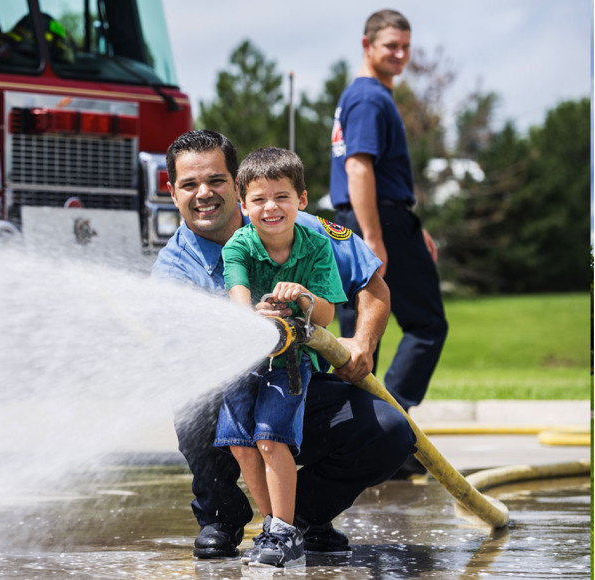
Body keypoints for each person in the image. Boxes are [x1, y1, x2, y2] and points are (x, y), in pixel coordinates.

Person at [152, 129, 415, 561]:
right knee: (191, 401)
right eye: (189, 184)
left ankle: (300, 519)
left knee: (390, 432)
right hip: (226, 395)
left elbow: (372, 286)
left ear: (236, 183)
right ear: (172, 190)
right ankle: (221, 515)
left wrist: (364, 343)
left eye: (216, 181)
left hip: (297, 383)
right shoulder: (173, 269)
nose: (204, 194)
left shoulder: (300, 228)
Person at [216, 147, 347, 568]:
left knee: (271, 439)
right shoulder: (238, 245)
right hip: (241, 360)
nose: (270, 207)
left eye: (281, 196)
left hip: (290, 360)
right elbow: (237, 297)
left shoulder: (316, 246)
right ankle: (272, 526)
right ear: (243, 205)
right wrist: (251, 314)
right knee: (242, 446)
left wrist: (304, 296)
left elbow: (327, 314)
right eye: (258, 199)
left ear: (302, 200)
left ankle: (285, 533)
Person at [329, 10, 448, 421]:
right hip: (376, 222)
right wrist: (375, 237)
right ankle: (389, 426)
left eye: (405, 47)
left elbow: (377, 173)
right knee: (426, 326)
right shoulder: (369, 97)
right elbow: (358, 167)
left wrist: (417, 227)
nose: (400, 54)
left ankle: (356, 439)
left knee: (361, 335)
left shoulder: (361, 95)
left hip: (363, 219)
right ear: (367, 45)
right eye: (390, 46)